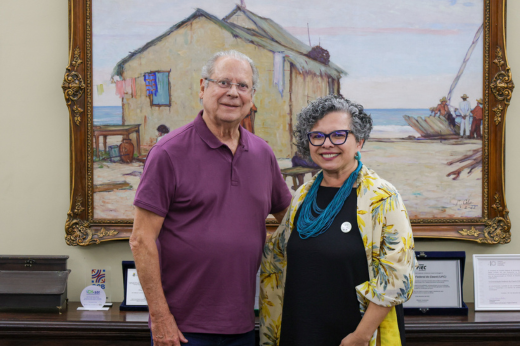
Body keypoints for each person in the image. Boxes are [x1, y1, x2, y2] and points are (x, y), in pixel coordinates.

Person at [130, 50, 292, 346]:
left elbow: (295, 223)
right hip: (182, 330)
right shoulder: (168, 153)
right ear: (203, 88)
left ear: (252, 97)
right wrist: (161, 318)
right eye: (223, 83)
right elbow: (141, 240)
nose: (233, 93)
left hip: (244, 325)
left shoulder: (262, 154)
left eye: (243, 86)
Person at [260, 95, 417, 346]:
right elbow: (277, 256)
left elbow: (396, 279)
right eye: (318, 136)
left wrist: (360, 336)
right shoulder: (302, 196)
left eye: (338, 135)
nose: (327, 144)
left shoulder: (382, 198)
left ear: (360, 141)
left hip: (353, 337)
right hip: (299, 330)